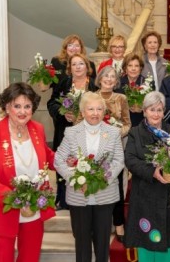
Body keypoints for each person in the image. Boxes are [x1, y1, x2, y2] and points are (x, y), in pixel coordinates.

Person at [0, 82, 55, 262]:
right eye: (17, 106)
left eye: (27, 106)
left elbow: (46, 156)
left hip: (33, 206)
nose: (22, 111)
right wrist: (10, 196)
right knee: (1, 258)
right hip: (2, 209)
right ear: (7, 107)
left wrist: (69, 162)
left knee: (30, 256)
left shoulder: (37, 129)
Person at [54, 92, 125, 262]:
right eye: (90, 109)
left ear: (104, 111)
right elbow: (59, 160)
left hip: (105, 194)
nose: (95, 113)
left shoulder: (113, 132)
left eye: (99, 109)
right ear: (83, 111)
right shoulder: (71, 133)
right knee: (82, 242)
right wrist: (77, 179)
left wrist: (102, 180)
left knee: (102, 244)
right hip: (79, 195)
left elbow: (118, 161)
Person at [124, 91, 170, 262]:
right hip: (144, 195)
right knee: (146, 239)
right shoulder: (135, 133)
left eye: (159, 110)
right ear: (144, 111)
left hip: (169, 194)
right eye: (152, 110)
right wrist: (153, 172)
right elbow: (130, 160)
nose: (156, 114)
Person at [47, 53, 98, 209]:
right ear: (70, 68)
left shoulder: (94, 85)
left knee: (85, 162)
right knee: (65, 163)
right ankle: (63, 199)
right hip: (65, 130)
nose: (77, 67)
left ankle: (86, 195)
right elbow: (52, 103)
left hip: (89, 133)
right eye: (74, 64)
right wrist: (63, 113)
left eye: (81, 64)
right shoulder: (64, 83)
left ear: (87, 67)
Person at [95, 65, 131, 242]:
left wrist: (117, 132)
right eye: (106, 76)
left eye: (112, 77)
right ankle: (100, 224)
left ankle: (119, 224)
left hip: (116, 148)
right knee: (97, 186)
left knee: (116, 187)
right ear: (100, 78)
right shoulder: (91, 98)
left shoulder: (121, 98)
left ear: (116, 81)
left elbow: (127, 123)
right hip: (94, 150)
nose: (109, 79)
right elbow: (80, 121)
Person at [116, 54, 150, 127]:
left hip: (142, 123)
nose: (133, 69)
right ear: (125, 68)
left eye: (136, 66)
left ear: (141, 68)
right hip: (122, 123)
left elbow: (151, 105)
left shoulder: (148, 83)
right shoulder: (117, 83)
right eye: (130, 65)